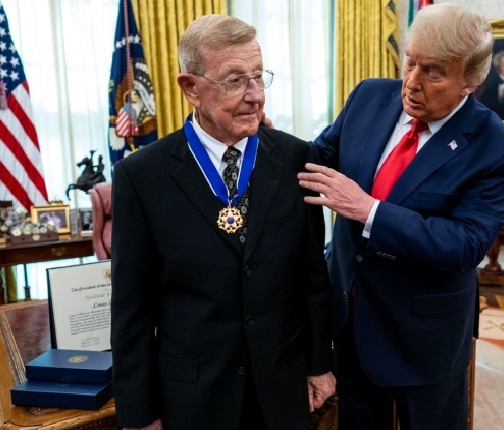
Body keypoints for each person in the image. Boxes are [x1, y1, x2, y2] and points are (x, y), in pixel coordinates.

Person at [297, 4, 504, 429]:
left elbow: (465, 244)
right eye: (410, 61)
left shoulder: (496, 148)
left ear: (469, 82)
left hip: (424, 337)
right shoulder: (369, 96)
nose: (412, 82)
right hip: (350, 318)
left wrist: (369, 210)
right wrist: (264, 141)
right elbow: (317, 158)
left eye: (434, 72)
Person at [110, 15, 335, 430]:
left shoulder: (295, 159)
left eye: (258, 77)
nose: (254, 96)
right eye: (234, 81)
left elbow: (312, 277)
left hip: (282, 389)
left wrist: (320, 364)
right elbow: (132, 309)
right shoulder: (141, 177)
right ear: (190, 87)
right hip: (194, 396)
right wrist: (139, 412)